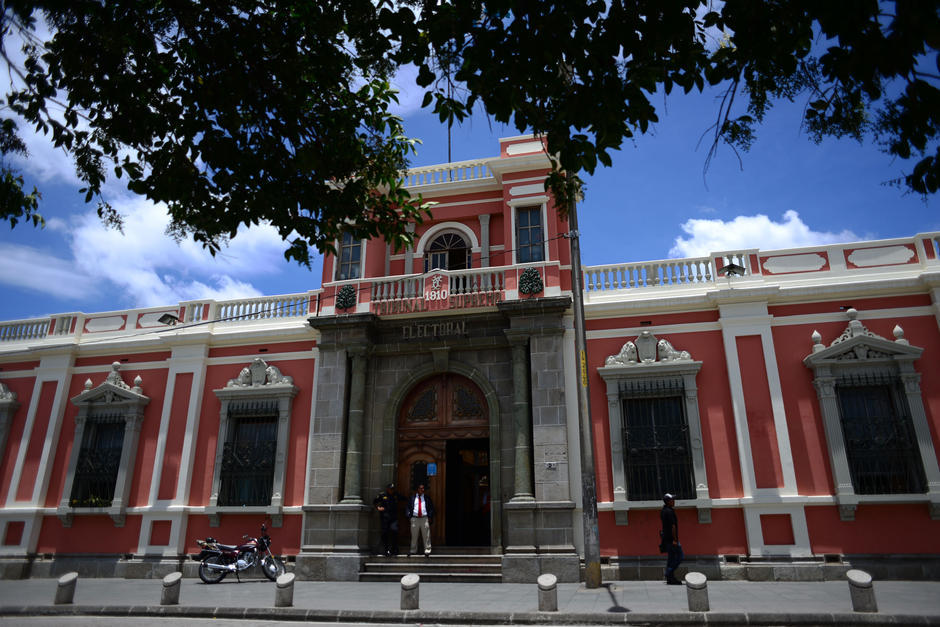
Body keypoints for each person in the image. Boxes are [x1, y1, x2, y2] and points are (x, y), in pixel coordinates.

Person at [373, 482, 402, 556]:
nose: (392, 490)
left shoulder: (396, 495)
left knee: (394, 531)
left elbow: (404, 498)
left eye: (393, 489)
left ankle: (394, 549)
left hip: (393, 517)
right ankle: (386, 549)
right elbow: (375, 502)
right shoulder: (382, 495)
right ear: (387, 489)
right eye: (390, 489)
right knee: (385, 533)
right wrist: (378, 508)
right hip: (385, 517)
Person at [406, 483, 434, 557]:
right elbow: (408, 507)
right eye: (421, 488)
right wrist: (409, 516)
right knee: (414, 535)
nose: (422, 490)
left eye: (423, 488)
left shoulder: (427, 498)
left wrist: (430, 516)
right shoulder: (412, 498)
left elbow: (431, 508)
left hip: (424, 518)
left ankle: (427, 550)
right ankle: (413, 550)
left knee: (426, 535)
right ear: (417, 489)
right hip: (415, 519)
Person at [661, 492, 683, 585]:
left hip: (666, 538)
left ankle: (670, 578)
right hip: (672, 539)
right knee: (680, 557)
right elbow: (673, 526)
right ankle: (668, 573)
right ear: (668, 501)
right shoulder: (670, 511)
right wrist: (675, 539)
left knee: (671, 558)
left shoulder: (663, 510)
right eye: (672, 500)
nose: (674, 501)